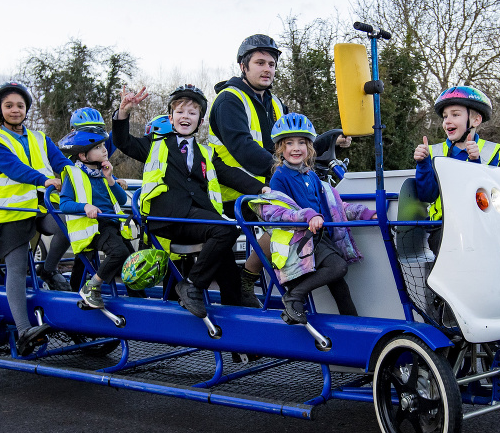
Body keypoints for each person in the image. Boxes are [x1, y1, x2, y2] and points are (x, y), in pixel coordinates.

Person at [208, 34, 351, 305]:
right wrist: (280, 170)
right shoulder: (229, 99)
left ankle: (258, 275)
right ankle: (260, 280)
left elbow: (294, 142)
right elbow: (241, 146)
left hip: (263, 180)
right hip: (228, 184)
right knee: (284, 217)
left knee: (286, 217)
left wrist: (333, 138)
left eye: (271, 64)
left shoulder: (274, 103)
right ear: (243, 67)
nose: (267, 69)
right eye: (260, 63)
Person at [112, 84, 269, 318]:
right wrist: (123, 112)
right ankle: (192, 285)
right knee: (225, 230)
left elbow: (232, 174)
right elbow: (123, 141)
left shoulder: (206, 153)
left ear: (201, 121)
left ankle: (237, 331)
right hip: (165, 216)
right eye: (180, 112)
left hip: (195, 218)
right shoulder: (154, 146)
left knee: (227, 265)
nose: (186, 116)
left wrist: (264, 189)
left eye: (192, 113)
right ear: (171, 117)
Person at [250, 114, 376, 326]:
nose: (296, 148)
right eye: (289, 143)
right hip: (299, 240)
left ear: (309, 147)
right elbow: (280, 211)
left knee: (341, 288)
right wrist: (307, 214)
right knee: (338, 268)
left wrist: (364, 213)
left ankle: (354, 328)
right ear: (281, 149)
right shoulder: (280, 176)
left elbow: (334, 206)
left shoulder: (311, 175)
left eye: (301, 142)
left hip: (320, 237)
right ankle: (294, 295)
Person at [0, 81, 72, 356]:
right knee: (17, 269)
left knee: (68, 225)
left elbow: (62, 163)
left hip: (41, 209)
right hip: (11, 214)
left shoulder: (40, 138)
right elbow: (16, 169)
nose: (15, 110)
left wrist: (80, 175)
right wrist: (44, 179)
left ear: (26, 109)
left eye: (20, 105)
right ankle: (23, 331)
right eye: (9, 106)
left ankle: (49, 269)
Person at [56, 112, 138, 308]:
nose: (104, 150)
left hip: (112, 224)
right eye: (98, 147)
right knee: (118, 253)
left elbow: (119, 199)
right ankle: (92, 287)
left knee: (132, 263)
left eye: (103, 146)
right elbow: (64, 204)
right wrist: (84, 207)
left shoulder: (103, 171)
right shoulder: (73, 174)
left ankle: (139, 301)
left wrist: (111, 180)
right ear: (83, 155)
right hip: (93, 226)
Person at [413, 85, 500, 253]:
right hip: (443, 228)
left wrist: (475, 161)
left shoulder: (491, 151)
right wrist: (423, 163)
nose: (447, 121)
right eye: (445, 116)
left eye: (455, 114)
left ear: (476, 120)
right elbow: (427, 195)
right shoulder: (433, 152)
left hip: (479, 228)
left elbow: (486, 197)